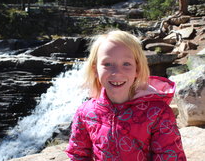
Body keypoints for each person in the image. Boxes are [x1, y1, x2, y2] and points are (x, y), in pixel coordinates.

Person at [65, 30, 186, 161]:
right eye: (107, 64)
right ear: (95, 70)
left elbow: (170, 157)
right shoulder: (85, 113)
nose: (117, 72)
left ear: (137, 70)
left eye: (126, 64)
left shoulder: (157, 113)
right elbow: (78, 155)